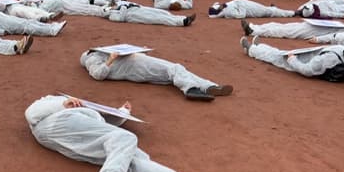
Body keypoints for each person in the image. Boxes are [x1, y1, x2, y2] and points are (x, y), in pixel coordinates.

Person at [24, 94, 226, 172]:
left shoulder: (82, 110)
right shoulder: (53, 101)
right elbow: (31, 113)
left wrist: (122, 113)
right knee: (125, 139)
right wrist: (62, 103)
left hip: (73, 138)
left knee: (130, 158)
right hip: (57, 124)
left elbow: (102, 127)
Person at [80, 50, 232, 101]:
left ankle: (209, 86)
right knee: (174, 68)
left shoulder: (100, 53)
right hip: (136, 68)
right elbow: (98, 74)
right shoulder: (91, 58)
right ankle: (190, 89)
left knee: (175, 71)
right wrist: (111, 58)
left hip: (139, 63)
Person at [240, 36, 344, 82]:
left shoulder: (330, 59)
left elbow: (307, 70)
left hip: (306, 62)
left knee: (278, 56)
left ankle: (251, 50)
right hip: (321, 60)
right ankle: (260, 47)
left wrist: (292, 60)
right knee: (280, 53)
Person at [0, 10, 66, 36]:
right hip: (4, 24)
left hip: (5, 19)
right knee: (25, 26)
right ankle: (51, 31)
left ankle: (51, 26)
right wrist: (1, 32)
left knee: (27, 22)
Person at [241, 19, 344, 40]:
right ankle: (254, 27)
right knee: (282, 26)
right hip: (313, 25)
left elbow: (337, 38)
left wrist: (318, 40)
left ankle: (253, 31)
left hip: (318, 32)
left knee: (284, 31)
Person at [108, 4, 196, 27]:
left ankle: (184, 18)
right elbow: (120, 18)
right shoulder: (111, 15)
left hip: (139, 9)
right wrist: (123, 7)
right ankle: (183, 22)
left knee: (162, 13)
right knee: (158, 19)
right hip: (133, 16)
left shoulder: (119, 5)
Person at [208, 0, 295, 18]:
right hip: (250, 10)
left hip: (245, 3)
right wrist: (241, 5)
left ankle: (273, 8)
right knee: (269, 11)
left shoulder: (222, 7)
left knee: (267, 9)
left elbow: (215, 4)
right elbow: (242, 15)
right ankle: (292, 13)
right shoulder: (227, 12)